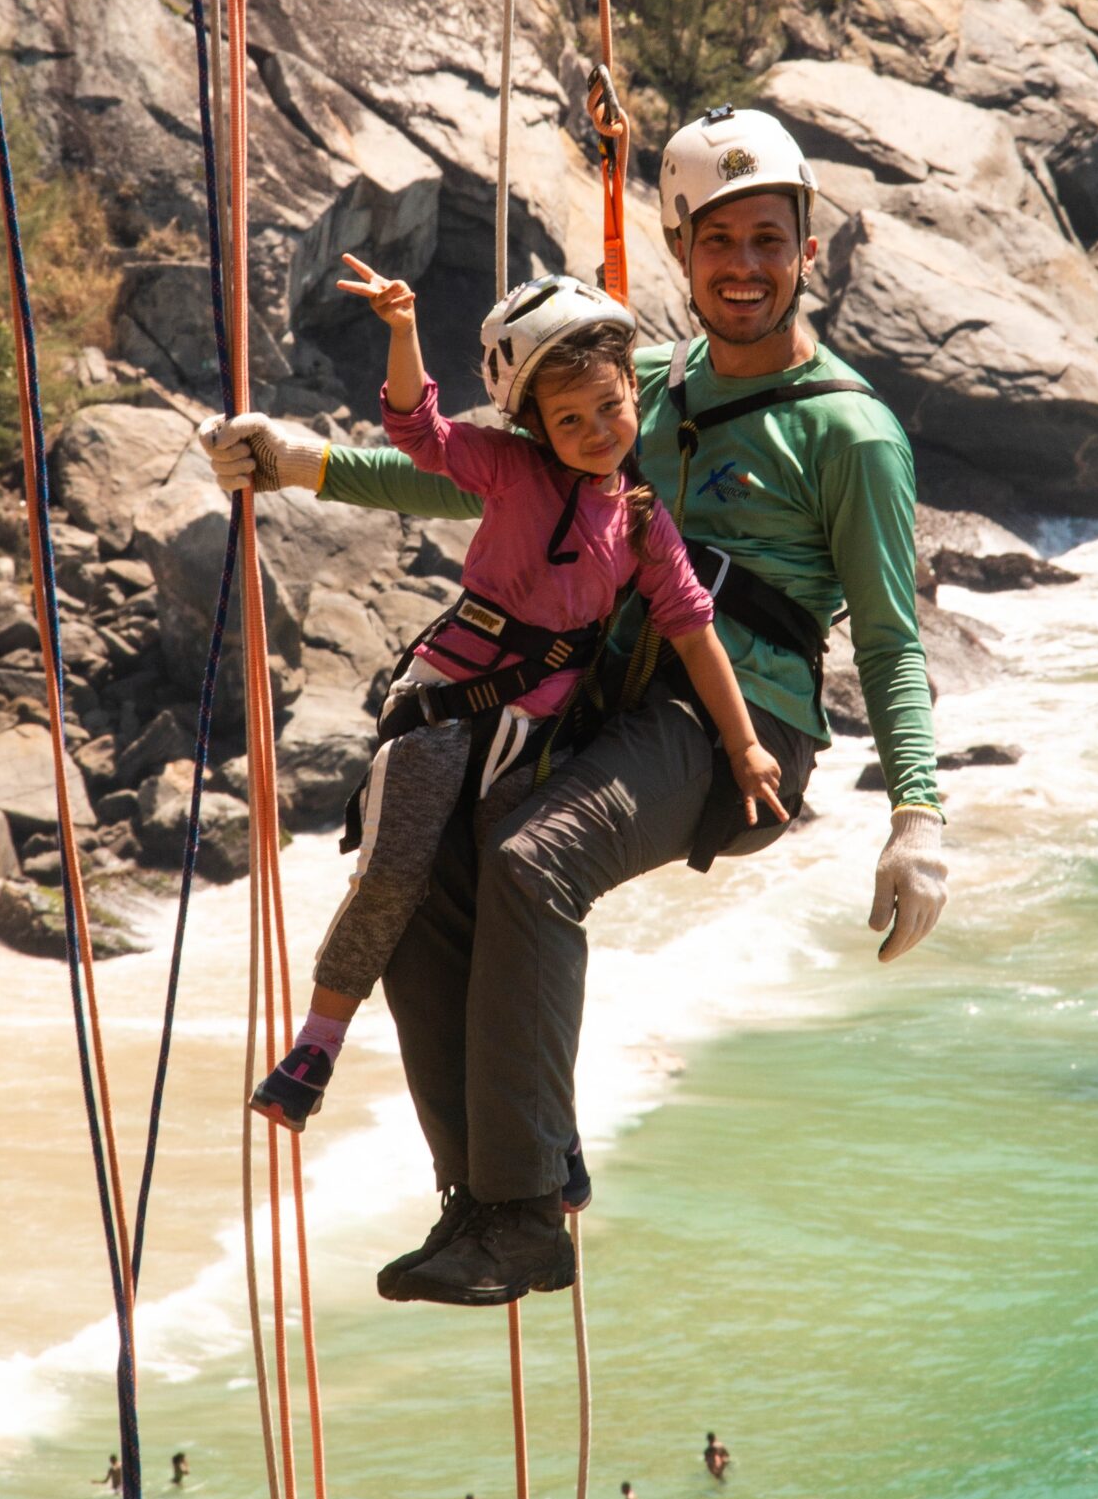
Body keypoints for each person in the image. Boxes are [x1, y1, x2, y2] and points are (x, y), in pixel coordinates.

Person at [202, 101, 947, 1305]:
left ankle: (526, 1205)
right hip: (598, 698)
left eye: (770, 241)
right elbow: (484, 484)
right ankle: (489, 1197)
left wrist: (917, 812)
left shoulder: (848, 432)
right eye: (720, 242)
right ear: (683, 252)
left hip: (729, 719)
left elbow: (891, 636)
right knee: (434, 859)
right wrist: (300, 461)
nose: (746, 266)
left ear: (808, 250)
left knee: (534, 856)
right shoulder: (631, 383)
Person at [240, 252, 783, 1181]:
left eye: (611, 407)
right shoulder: (509, 468)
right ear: (534, 426)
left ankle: (549, 1134)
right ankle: (316, 1047)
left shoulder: (644, 523)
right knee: (394, 876)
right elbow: (416, 431)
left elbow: (694, 634)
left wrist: (746, 750)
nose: (596, 430)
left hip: (530, 740)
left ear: (635, 397)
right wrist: (404, 329)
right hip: (445, 706)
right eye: (568, 420)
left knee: (513, 921)